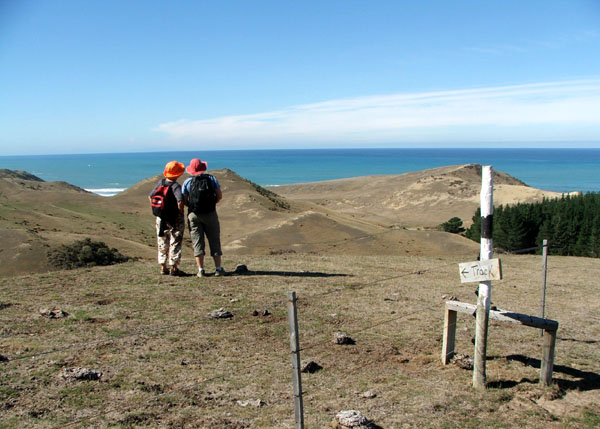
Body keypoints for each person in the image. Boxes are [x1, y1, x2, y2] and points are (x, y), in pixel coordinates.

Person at [182, 158, 224, 277]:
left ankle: (201, 270)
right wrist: (211, 204)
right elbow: (219, 196)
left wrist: (191, 206)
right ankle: (218, 268)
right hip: (210, 213)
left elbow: (184, 199)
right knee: (214, 239)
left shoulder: (187, 182)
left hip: (193, 214)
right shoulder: (211, 179)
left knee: (197, 241)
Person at [148, 161, 186, 276]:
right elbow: (180, 201)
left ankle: (163, 267)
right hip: (174, 218)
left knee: (162, 241)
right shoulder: (176, 186)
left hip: (161, 217)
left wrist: (160, 210)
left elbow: (150, 196)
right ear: (178, 174)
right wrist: (180, 211)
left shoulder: (161, 183)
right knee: (175, 241)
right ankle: (174, 268)